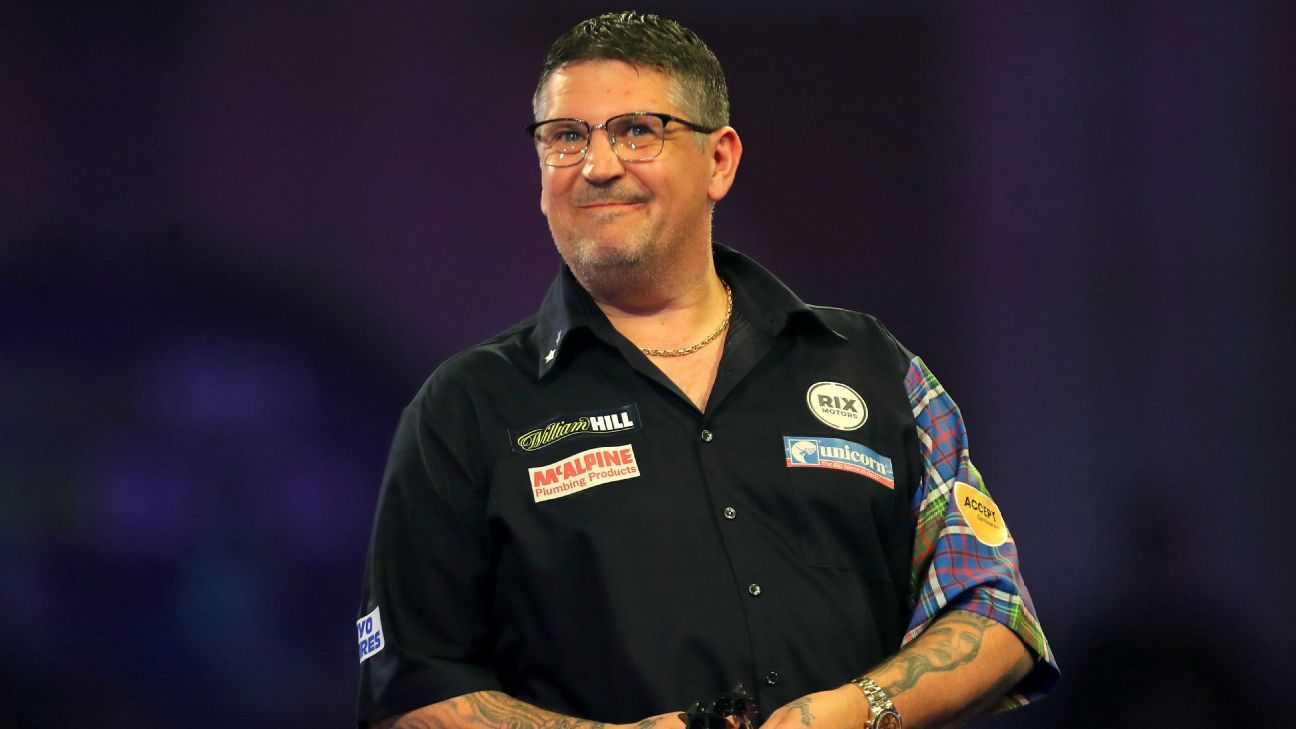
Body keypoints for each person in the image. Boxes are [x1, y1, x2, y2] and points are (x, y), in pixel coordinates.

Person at [356, 11, 1057, 729]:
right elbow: (410, 692)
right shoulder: (465, 409)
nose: (598, 166)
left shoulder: (873, 367)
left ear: (719, 160)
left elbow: (997, 611)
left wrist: (861, 710)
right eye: (566, 137)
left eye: (638, 130)